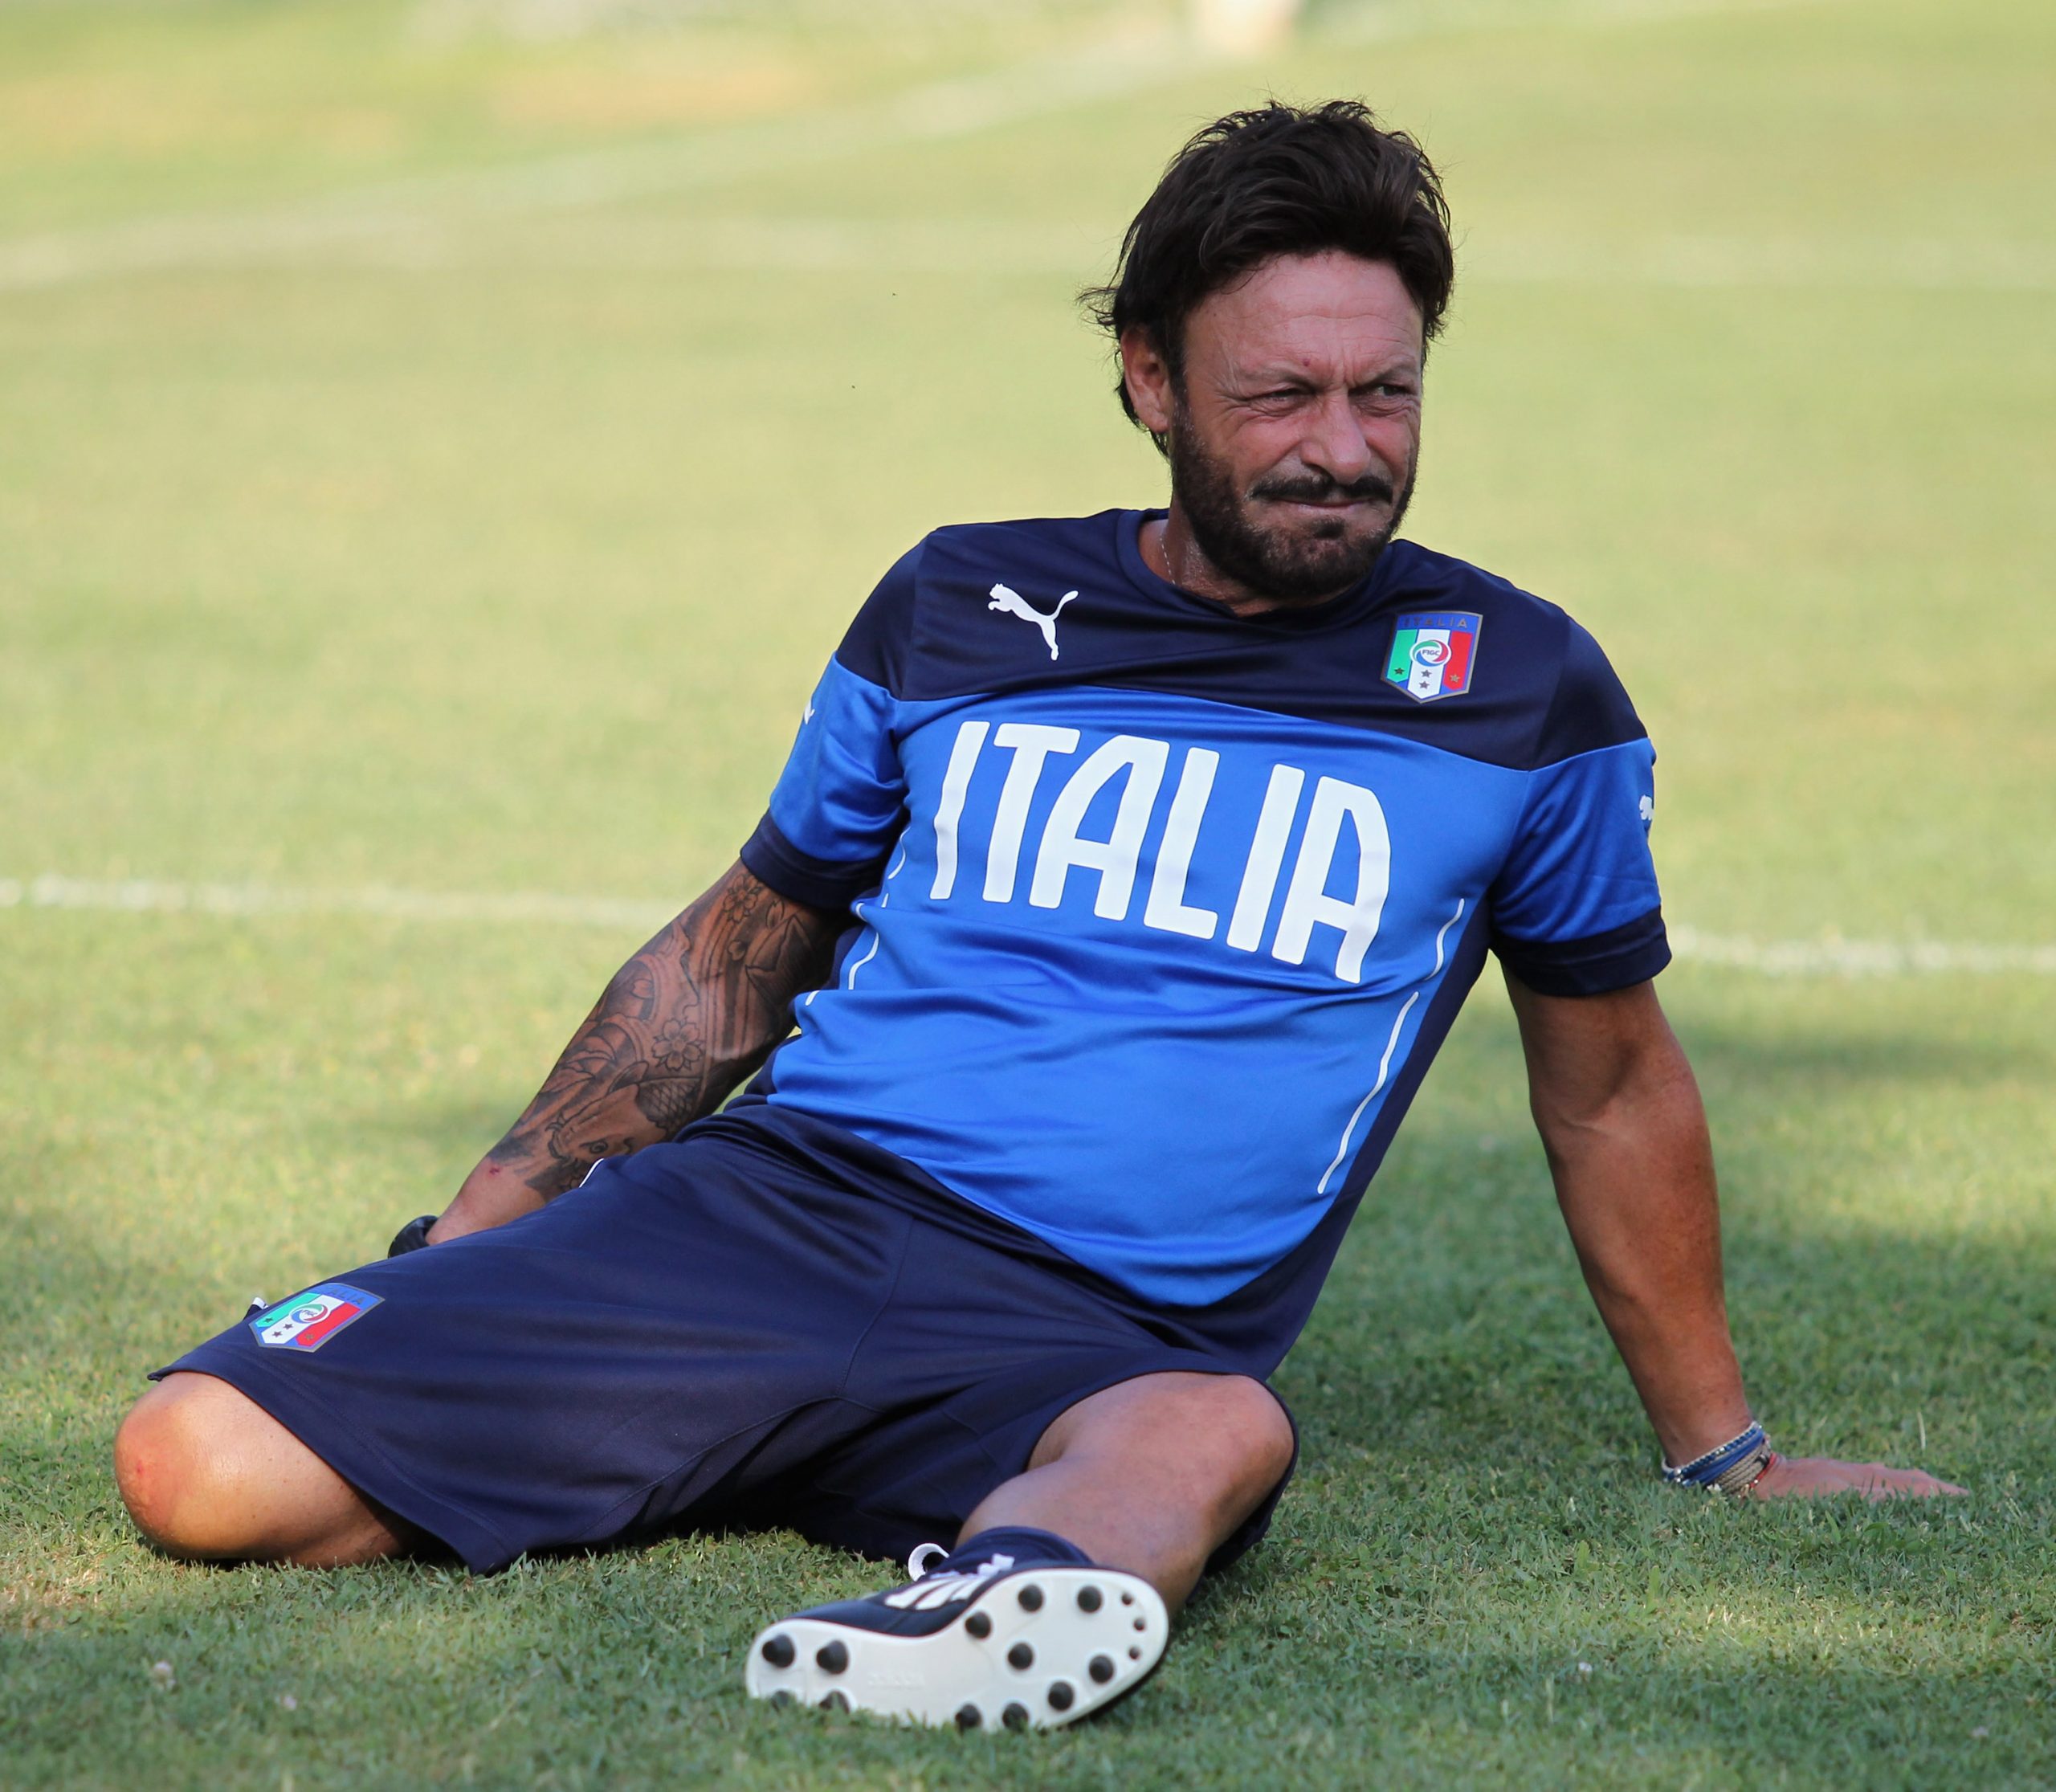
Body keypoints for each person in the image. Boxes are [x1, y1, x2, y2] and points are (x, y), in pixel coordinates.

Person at [112, 100, 1962, 1733]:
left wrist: (1724, 1455)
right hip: (773, 1219)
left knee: (1212, 1432)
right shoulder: (958, 607)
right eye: (1279, 396)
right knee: (196, 1461)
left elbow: (1609, 1088)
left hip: (1102, 1334)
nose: (1341, 448)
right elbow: (734, 957)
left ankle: (988, 1610)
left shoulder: (1518, 688)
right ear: (1151, 382)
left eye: (1383, 392)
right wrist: (468, 1247)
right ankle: (723, 1439)